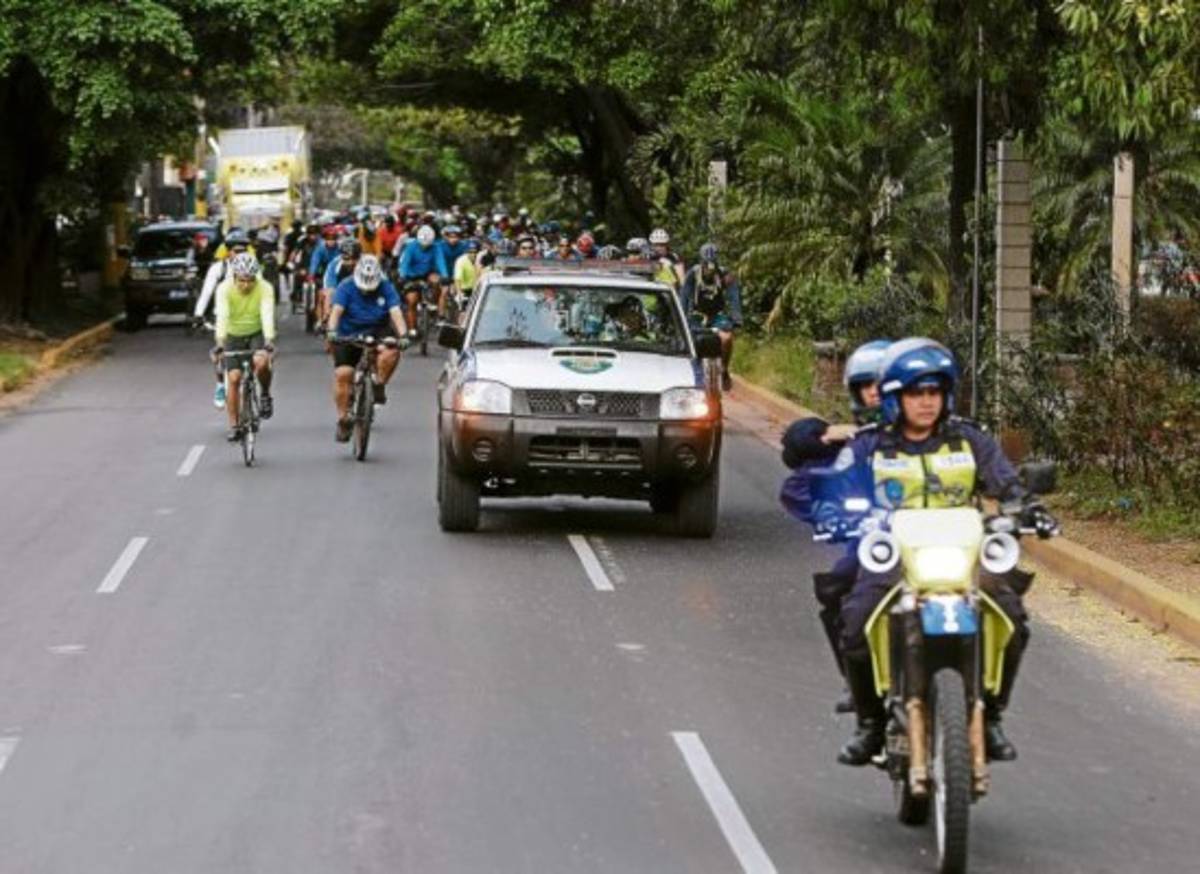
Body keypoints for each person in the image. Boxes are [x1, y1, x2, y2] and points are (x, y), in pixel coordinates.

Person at [832, 338, 1057, 766]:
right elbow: (836, 489)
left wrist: (1027, 509)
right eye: (916, 393)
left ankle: (991, 715)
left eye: (934, 392)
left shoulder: (969, 440)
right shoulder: (868, 446)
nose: (926, 402)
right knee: (856, 624)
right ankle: (871, 724)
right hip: (896, 559)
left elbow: (1006, 484)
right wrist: (837, 514)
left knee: (1012, 620)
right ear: (895, 397)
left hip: (963, 558)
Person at [779, 340, 891, 712]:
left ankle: (988, 696)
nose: (876, 392)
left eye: (885, 383)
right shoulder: (854, 443)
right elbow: (797, 451)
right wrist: (829, 435)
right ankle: (860, 689)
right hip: (879, 544)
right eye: (867, 385)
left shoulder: (947, 434)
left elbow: (992, 470)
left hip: (940, 541)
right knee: (838, 591)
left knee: (1003, 593)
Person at [326, 255, 408, 442]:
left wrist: (403, 335)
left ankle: (379, 384)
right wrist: (332, 332)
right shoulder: (345, 286)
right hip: (348, 333)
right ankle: (343, 419)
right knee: (343, 374)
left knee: (392, 351)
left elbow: (395, 312)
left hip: (378, 330)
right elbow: (336, 312)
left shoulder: (386, 287)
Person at [211, 253, 276, 441]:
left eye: (250, 281)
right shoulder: (224, 289)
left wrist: (269, 340)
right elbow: (222, 315)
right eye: (241, 280)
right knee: (234, 377)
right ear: (234, 277)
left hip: (257, 332)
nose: (246, 285)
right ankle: (234, 425)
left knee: (261, 362)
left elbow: (266, 313)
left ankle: (265, 393)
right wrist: (220, 343)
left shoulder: (265, 288)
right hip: (232, 334)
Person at [680, 243, 742, 391]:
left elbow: (734, 297)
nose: (709, 268)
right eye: (706, 265)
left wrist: (736, 317)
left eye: (712, 264)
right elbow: (684, 298)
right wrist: (682, 318)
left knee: (726, 338)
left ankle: (724, 369)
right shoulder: (692, 274)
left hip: (717, 315)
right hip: (697, 315)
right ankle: (696, 376)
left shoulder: (725, 275)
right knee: (693, 343)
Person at [397, 225, 449, 337]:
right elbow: (405, 263)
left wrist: (445, 275)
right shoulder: (411, 247)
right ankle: (412, 328)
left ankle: (433, 303)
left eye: (428, 245)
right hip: (411, 276)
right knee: (412, 301)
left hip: (427, 273)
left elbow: (440, 261)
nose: (425, 247)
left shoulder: (436, 247)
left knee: (436, 281)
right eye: (422, 245)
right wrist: (402, 276)